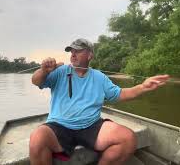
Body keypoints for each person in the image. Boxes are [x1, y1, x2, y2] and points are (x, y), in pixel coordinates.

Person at [30, 38, 169, 165]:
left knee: (128, 138)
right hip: (59, 125)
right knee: (37, 138)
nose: (73, 54)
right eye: (71, 51)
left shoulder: (99, 77)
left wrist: (143, 87)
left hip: (91, 125)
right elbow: (36, 81)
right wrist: (43, 71)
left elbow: (120, 94)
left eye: (78, 51)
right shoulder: (59, 71)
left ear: (90, 55)